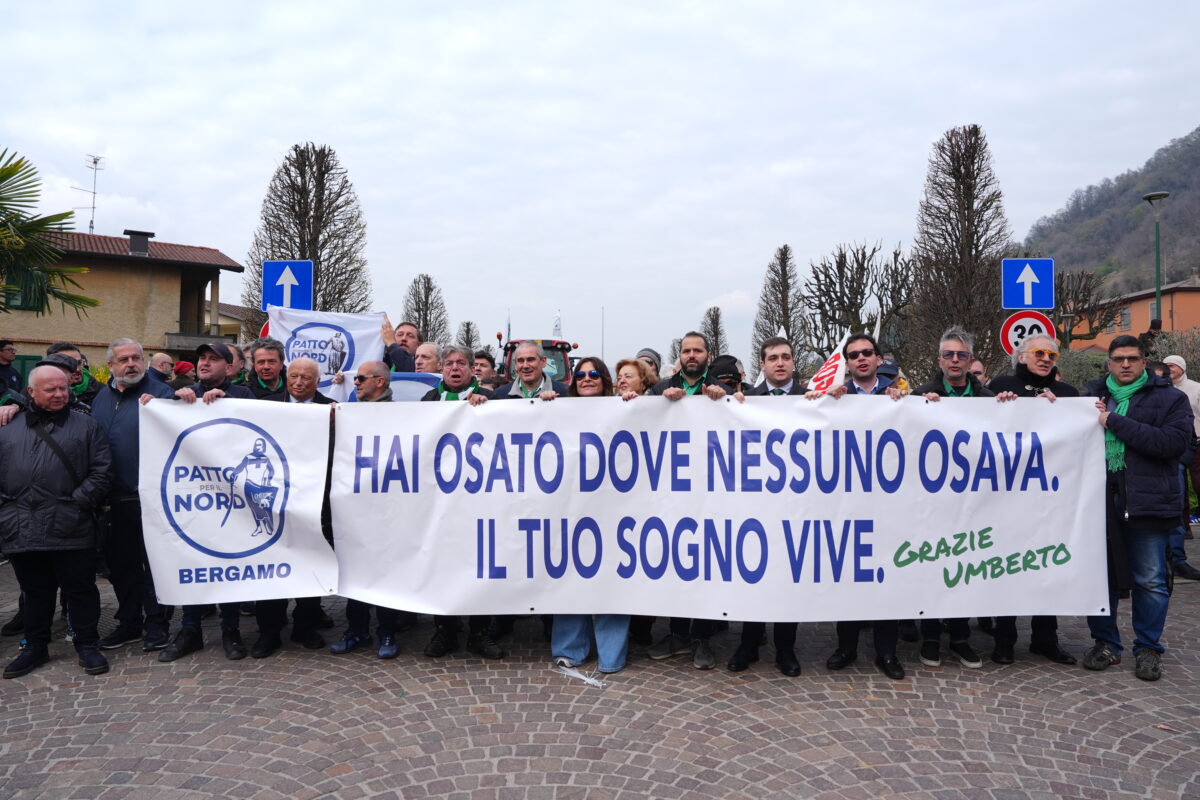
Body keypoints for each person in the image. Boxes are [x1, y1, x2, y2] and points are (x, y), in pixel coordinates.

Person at [1083, 335, 1193, 681]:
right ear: (1109, 364)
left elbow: (1172, 444)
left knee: (1150, 580)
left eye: (1133, 358)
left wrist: (1115, 422)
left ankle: (1147, 648)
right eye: (1119, 359)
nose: (1126, 364)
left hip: (1147, 502)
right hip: (1097, 501)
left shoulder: (1171, 399)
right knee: (1101, 579)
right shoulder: (1088, 398)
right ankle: (1106, 644)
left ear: (1145, 362)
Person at [801, 334, 907, 680]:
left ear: (878, 359)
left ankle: (887, 653)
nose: (861, 359)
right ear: (846, 363)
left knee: (886, 579)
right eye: (854, 355)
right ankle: (845, 647)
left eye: (867, 353)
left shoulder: (899, 396)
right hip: (846, 503)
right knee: (849, 577)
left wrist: (909, 401)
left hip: (888, 503)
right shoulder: (837, 396)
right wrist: (819, 403)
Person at [1, 366, 112, 678]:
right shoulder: (7, 427)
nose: (60, 394)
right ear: (31, 392)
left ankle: (86, 643)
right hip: (21, 525)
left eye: (63, 388)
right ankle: (35, 646)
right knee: (34, 591)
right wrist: (5, 510)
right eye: (51, 390)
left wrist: (79, 502)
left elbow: (102, 470)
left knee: (80, 589)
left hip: (71, 523)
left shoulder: (87, 426)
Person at [149, 343, 256, 663]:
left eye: (213, 359)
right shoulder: (183, 393)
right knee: (192, 562)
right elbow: (159, 424)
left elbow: (257, 427)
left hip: (232, 500)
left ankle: (230, 630)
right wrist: (173, 403)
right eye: (202, 358)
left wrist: (229, 403)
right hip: (194, 499)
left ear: (229, 366)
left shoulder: (243, 394)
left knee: (228, 567)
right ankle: (190, 631)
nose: (205, 363)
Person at [982, 335, 1081, 665]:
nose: (1046, 358)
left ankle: (1045, 639)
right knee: (1007, 570)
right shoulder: (1000, 385)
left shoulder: (1068, 394)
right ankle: (1004, 640)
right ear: (1021, 356)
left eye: (1052, 354)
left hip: (1050, 498)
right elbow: (975, 427)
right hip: (1006, 497)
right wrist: (999, 405)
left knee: (1046, 568)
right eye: (1039, 352)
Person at [646, 331, 731, 670]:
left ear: (708, 355)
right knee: (678, 561)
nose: (692, 356)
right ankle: (678, 633)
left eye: (698, 351)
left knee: (706, 564)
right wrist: (655, 402)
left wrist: (726, 400)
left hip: (711, 493)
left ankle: (702, 637)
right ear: (679, 356)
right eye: (686, 351)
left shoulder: (719, 388)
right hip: (672, 491)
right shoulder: (660, 388)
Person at [417, 347, 505, 660]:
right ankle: (445, 631)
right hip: (441, 499)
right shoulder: (429, 399)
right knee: (444, 563)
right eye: (450, 364)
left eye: (461, 364)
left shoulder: (488, 398)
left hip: (479, 497)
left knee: (478, 563)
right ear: (442, 368)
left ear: (472, 369)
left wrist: (485, 408)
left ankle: (479, 633)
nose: (455, 369)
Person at [910, 326, 990, 669]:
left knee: (965, 569)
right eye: (948, 355)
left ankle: (960, 638)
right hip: (933, 502)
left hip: (974, 502)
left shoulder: (988, 400)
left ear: (970, 359)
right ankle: (930, 637)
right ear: (939, 359)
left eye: (961, 355)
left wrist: (1016, 409)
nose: (954, 360)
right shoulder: (922, 394)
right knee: (932, 567)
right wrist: (912, 407)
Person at [91, 339, 177, 652]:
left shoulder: (162, 394)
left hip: (150, 499)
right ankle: (129, 623)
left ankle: (157, 625)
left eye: (137, 357)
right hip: (112, 500)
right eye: (124, 359)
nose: (132, 364)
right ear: (111, 366)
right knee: (121, 566)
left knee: (154, 565)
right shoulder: (101, 397)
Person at [726, 337, 805, 677]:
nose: (780, 363)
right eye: (773, 358)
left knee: (789, 579)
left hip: (796, 505)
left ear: (793, 362)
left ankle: (786, 650)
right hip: (755, 505)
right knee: (754, 575)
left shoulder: (811, 399)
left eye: (786, 357)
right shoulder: (747, 401)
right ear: (762, 364)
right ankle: (749, 644)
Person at [551, 356, 630, 673]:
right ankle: (569, 649)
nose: (586, 378)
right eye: (581, 374)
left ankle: (611, 656)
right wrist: (542, 406)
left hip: (613, 510)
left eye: (594, 374)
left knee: (612, 581)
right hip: (571, 509)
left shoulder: (624, 409)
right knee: (570, 580)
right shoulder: (560, 410)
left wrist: (635, 405)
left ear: (605, 380)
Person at [329, 360, 407, 659]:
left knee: (387, 571)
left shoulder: (404, 416)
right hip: (354, 507)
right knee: (354, 570)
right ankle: (356, 630)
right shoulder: (348, 414)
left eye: (361, 378)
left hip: (389, 508)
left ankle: (386, 631)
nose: (356, 383)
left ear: (381, 382)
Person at [1162, 355, 1200, 580]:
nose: (1169, 369)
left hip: (1193, 444)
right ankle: (1175, 549)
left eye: (1172, 365)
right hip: (1166, 451)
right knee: (1179, 497)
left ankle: (1177, 557)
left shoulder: (1194, 389)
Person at [494, 342, 569, 400]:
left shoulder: (566, 393)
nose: (525, 365)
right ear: (515, 364)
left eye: (530, 360)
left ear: (543, 361)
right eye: (520, 361)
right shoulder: (498, 395)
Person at [46, 342, 101, 410]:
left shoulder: (102, 392)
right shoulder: (38, 393)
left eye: (79, 363)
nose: (77, 369)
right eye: (69, 364)